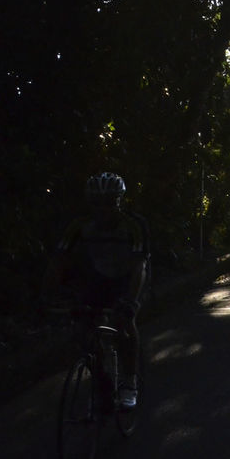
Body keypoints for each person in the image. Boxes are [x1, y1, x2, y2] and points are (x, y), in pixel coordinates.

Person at [44, 173, 149, 409]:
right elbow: (58, 262)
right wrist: (46, 295)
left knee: (124, 324)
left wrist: (131, 303)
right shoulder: (80, 226)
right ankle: (103, 380)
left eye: (110, 202)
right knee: (82, 332)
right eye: (97, 203)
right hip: (98, 277)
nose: (104, 210)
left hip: (129, 278)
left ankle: (130, 382)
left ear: (120, 201)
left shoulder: (133, 225)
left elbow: (139, 266)